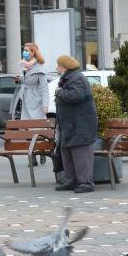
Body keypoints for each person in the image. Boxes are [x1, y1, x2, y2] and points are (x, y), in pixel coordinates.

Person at [53, 55, 97, 193]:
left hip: (80, 125)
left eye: (58, 65)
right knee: (67, 153)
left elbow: (76, 95)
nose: (56, 67)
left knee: (81, 154)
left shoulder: (78, 78)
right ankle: (71, 181)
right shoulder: (68, 77)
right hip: (70, 124)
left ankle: (85, 183)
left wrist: (60, 92)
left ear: (65, 66)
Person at [17, 42, 49, 120]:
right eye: (23, 50)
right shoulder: (24, 65)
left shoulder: (39, 67)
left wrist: (45, 105)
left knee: (36, 126)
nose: (24, 52)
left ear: (33, 52)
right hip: (24, 99)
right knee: (25, 126)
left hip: (35, 101)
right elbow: (27, 80)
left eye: (26, 51)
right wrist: (19, 80)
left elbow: (45, 88)